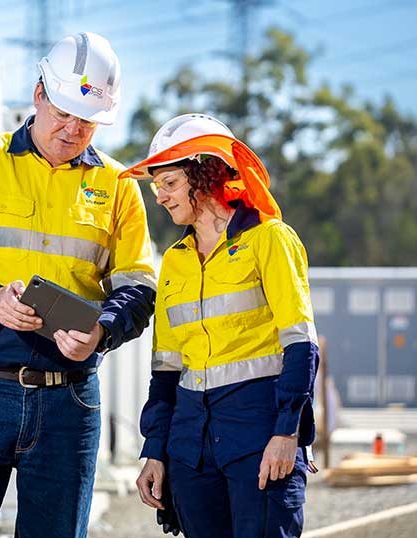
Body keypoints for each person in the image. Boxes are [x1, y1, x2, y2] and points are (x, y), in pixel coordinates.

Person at [0, 32, 156, 538]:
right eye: (63, 112)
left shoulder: (118, 187)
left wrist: (104, 330)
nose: (72, 129)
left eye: (87, 121)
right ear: (39, 93)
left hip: (69, 400)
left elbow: (139, 288)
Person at [128, 114, 318, 537]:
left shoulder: (269, 239)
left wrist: (288, 432)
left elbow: (302, 346)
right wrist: (156, 451)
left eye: (170, 183)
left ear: (206, 172)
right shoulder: (174, 260)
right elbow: (166, 371)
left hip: (258, 435)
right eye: (157, 186)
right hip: (191, 446)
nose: (159, 197)